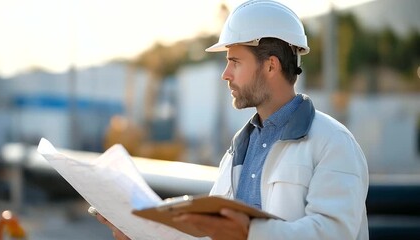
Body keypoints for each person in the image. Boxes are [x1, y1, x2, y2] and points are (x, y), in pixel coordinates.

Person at [97, 0, 369, 239]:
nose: (225, 74)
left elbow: (334, 233)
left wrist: (249, 234)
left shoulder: (333, 143)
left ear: (271, 65)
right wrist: (141, 235)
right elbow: (212, 236)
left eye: (235, 62)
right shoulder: (239, 148)